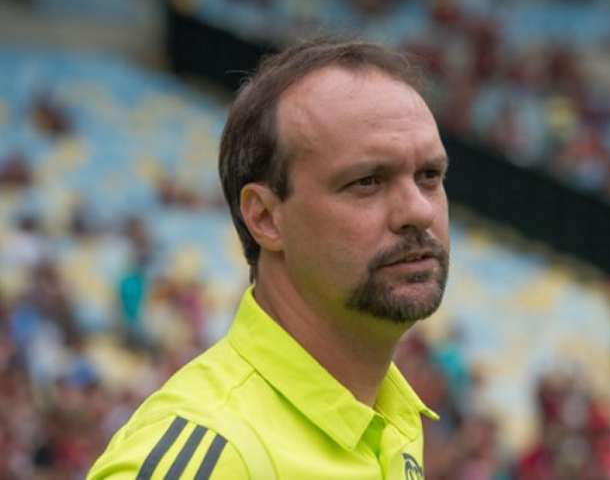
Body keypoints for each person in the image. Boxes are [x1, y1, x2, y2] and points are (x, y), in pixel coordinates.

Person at [88, 37, 451, 479]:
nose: (419, 210)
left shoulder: (392, 416)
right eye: (367, 181)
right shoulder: (216, 452)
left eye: (429, 176)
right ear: (265, 217)